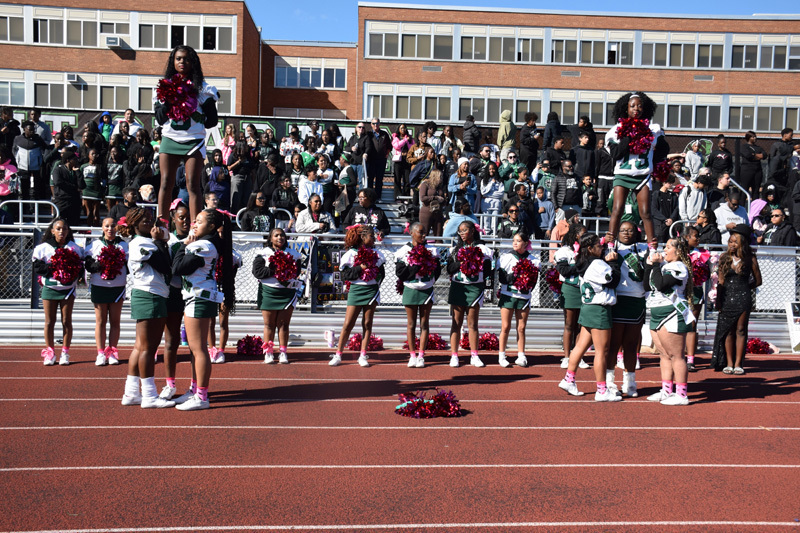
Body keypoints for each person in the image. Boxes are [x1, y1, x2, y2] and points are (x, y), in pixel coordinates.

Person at [171, 209, 233, 410]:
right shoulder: (205, 243)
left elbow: (178, 268)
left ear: (212, 226)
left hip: (199, 298)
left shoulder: (203, 245)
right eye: (194, 221)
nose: (194, 224)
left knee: (199, 349)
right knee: (194, 348)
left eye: (199, 221)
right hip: (196, 296)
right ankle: (194, 388)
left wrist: (185, 245)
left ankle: (202, 396)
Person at [116, 207, 174, 408]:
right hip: (150, 295)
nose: (150, 222)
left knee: (140, 347)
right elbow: (165, 266)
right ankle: (149, 395)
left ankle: (131, 393)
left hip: (149, 294)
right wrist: (160, 241)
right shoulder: (141, 243)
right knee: (149, 348)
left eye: (150, 219)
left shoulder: (141, 242)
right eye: (144, 220)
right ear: (134, 225)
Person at [155, 45, 219, 225]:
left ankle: (195, 227)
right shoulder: (164, 87)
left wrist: (198, 111)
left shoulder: (203, 88)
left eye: (186, 59)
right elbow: (160, 119)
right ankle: (163, 225)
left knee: (192, 184)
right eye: (178, 58)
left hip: (194, 141)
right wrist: (169, 98)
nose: (182, 62)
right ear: (173, 61)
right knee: (166, 182)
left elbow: (212, 121)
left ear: (193, 62)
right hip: (170, 138)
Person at [557, 232, 621, 401]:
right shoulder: (598, 264)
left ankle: (568, 379)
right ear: (590, 248)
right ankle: (601, 390)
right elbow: (613, 280)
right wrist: (614, 263)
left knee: (580, 347)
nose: (602, 248)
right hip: (599, 308)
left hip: (588, 307)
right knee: (602, 351)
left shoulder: (583, 262)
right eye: (599, 246)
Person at [605, 92, 669, 246]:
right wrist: (628, 135)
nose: (636, 108)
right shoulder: (616, 129)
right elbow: (615, 154)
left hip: (643, 175)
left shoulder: (654, 129)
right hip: (623, 174)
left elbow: (663, 151)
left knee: (646, 212)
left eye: (639, 105)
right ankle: (610, 243)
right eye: (632, 105)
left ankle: (652, 246)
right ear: (626, 109)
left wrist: (659, 166)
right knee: (617, 209)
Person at [644, 237, 695, 405]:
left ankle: (681, 395)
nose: (664, 250)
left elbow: (660, 284)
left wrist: (657, 265)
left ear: (678, 251)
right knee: (664, 355)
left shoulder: (679, 267)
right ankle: (666, 390)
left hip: (672, 312)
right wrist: (650, 265)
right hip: (656, 311)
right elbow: (647, 285)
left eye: (667, 247)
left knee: (676, 356)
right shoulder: (664, 266)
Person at [329, 225, 386, 367]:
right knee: (348, 323)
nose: (374, 239)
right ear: (363, 237)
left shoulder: (377, 254)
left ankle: (363, 355)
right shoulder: (350, 254)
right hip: (356, 290)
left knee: (367, 323)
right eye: (371, 236)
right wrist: (359, 268)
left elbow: (381, 273)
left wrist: (375, 282)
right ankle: (338, 354)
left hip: (371, 291)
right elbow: (346, 275)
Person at [710, 224, 762, 374]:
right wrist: (718, 301)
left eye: (735, 242)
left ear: (742, 243)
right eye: (730, 241)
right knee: (728, 331)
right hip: (727, 297)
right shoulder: (724, 257)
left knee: (740, 330)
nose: (731, 244)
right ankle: (729, 363)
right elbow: (720, 281)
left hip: (743, 298)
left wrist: (744, 287)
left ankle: (739, 364)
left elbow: (758, 281)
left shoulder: (750, 258)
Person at [32, 218, 84, 366]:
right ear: (53, 230)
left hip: (67, 290)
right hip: (50, 289)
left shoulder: (74, 248)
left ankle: (65, 352)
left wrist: (71, 271)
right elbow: (37, 268)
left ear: (68, 231)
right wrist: (55, 268)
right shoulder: (43, 247)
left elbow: (80, 269)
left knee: (66, 321)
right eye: (59, 229)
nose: (62, 231)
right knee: (49, 321)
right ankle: (50, 352)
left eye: (65, 229)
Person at [608, 222, 649, 397]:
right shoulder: (610, 248)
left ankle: (630, 382)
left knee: (631, 345)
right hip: (617, 300)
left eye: (630, 230)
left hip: (637, 300)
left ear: (635, 232)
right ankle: (609, 382)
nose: (626, 233)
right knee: (613, 344)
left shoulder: (643, 248)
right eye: (622, 230)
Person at [253, 228, 303, 364]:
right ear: (270, 238)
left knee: (283, 324)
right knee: (269, 324)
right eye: (276, 235)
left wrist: (286, 272)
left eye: (282, 235)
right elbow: (257, 272)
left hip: (287, 293)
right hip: (268, 292)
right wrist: (275, 269)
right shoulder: (263, 253)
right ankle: (268, 352)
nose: (280, 238)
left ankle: (283, 352)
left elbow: (296, 272)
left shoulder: (293, 254)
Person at [395, 222, 442, 368]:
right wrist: (416, 266)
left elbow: (438, 270)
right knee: (411, 324)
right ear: (411, 232)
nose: (424, 235)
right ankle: (412, 355)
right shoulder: (403, 251)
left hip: (426, 289)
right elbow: (400, 273)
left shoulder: (432, 250)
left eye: (425, 232)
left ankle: (421, 355)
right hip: (411, 289)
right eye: (420, 232)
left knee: (424, 323)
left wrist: (431, 279)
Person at [446, 221, 492, 368]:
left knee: (472, 324)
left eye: (464, 230)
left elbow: (487, 270)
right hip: (458, 287)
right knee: (456, 323)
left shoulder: (483, 249)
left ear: (472, 231)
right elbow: (449, 269)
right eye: (460, 231)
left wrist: (475, 263)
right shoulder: (454, 249)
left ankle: (474, 355)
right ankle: (454, 355)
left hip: (474, 288)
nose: (461, 233)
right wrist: (463, 262)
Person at [158, 200, 191, 401]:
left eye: (188, 217)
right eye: (181, 217)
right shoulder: (168, 242)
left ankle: (196, 387)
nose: (185, 221)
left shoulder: (198, 240)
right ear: (173, 219)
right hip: (173, 294)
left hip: (193, 295)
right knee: (171, 341)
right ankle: (170, 384)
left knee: (196, 345)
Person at [84, 217, 128, 366]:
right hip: (99, 287)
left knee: (115, 321)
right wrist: (100, 265)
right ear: (102, 228)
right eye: (107, 226)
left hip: (117, 288)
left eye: (113, 226)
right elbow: (88, 265)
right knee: (101, 321)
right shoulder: (94, 245)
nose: (110, 229)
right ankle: (101, 353)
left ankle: (113, 351)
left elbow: (129, 267)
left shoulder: (123, 246)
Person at [497, 230, 539, 368]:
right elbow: (502, 279)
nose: (515, 243)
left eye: (518, 241)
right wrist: (515, 276)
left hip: (524, 297)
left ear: (526, 243)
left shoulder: (533, 260)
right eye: (514, 240)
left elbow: (533, 282)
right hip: (508, 295)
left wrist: (525, 284)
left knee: (521, 327)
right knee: (505, 326)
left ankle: (521, 355)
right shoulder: (506, 257)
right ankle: (502, 355)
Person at [554, 223, 591, 370]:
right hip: (570, 289)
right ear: (576, 235)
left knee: (581, 326)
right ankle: (567, 357)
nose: (585, 236)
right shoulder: (564, 251)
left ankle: (578, 356)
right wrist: (581, 265)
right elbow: (564, 270)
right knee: (569, 324)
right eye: (583, 233)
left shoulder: (587, 251)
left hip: (584, 290)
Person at [684, 226, 707, 372]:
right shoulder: (677, 251)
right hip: (679, 293)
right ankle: (677, 356)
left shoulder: (702, 254)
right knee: (678, 325)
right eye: (695, 236)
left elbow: (705, 274)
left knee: (692, 324)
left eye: (698, 236)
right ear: (686, 237)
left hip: (696, 292)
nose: (698, 239)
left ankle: (691, 359)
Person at [13, 120, 48, 202]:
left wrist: (40, 161)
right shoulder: (18, 139)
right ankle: (24, 210)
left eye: (33, 129)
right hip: (22, 168)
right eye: (30, 129)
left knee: (36, 191)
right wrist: (17, 162)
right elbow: (13, 151)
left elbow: (45, 149)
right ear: (24, 129)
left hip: (36, 168)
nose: (32, 131)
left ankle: (35, 209)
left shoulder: (38, 139)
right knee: (24, 190)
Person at [359, 118, 391, 199]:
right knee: (370, 179)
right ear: (371, 124)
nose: (375, 125)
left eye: (377, 123)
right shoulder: (368, 134)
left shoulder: (384, 134)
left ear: (379, 124)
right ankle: (370, 197)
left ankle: (377, 197)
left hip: (381, 160)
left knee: (379, 180)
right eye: (373, 123)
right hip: (371, 160)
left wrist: (386, 154)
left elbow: (389, 146)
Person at [51, 150, 82, 226]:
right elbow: (58, 182)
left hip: (74, 201)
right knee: (58, 222)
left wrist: (78, 172)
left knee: (74, 224)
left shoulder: (75, 171)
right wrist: (74, 187)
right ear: (68, 160)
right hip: (62, 201)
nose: (76, 161)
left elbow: (82, 185)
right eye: (74, 159)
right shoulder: (58, 170)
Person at [79, 147, 105, 227]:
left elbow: (104, 179)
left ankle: (96, 228)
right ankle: (89, 227)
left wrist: (102, 189)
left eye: (96, 154)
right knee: (88, 212)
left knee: (96, 212)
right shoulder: (83, 166)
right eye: (92, 154)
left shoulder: (100, 167)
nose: (94, 156)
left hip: (96, 190)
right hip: (86, 190)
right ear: (88, 155)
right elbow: (80, 178)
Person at [227, 141, 255, 213]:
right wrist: (239, 161)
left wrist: (253, 181)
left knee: (246, 198)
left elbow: (252, 168)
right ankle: (234, 217)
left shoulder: (248, 155)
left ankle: (244, 216)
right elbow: (229, 167)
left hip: (247, 177)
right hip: (237, 177)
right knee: (236, 199)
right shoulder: (233, 155)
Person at [651, 176, 680, 242]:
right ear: (664, 182)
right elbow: (654, 209)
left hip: (671, 223)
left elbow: (676, 208)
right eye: (669, 183)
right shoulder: (656, 194)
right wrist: (664, 219)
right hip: (659, 224)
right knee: (659, 242)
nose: (671, 185)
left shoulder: (673, 195)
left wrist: (671, 218)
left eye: (672, 183)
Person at [419, 168, 447, 236]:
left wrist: (443, 200)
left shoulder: (440, 187)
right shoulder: (425, 184)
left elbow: (444, 200)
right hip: (427, 212)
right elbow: (422, 198)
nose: (441, 178)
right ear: (435, 176)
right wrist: (435, 198)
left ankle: (439, 246)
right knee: (424, 234)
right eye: (440, 176)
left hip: (438, 212)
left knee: (439, 235)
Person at [391, 124, 414, 200]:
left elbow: (412, 147)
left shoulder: (410, 138)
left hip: (407, 160)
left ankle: (406, 197)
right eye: (401, 128)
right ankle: (397, 197)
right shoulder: (396, 137)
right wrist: (404, 140)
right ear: (399, 129)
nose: (403, 129)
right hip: (398, 161)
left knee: (407, 180)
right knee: (397, 179)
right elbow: (397, 146)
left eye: (404, 128)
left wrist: (408, 140)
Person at [740, 131, 766, 199]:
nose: (755, 138)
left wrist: (754, 155)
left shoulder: (759, 147)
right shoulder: (744, 147)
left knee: (756, 191)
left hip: (757, 171)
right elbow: (748, 155)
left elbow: (764, 155)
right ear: (748, 138)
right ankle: (742, 207)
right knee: (744, 190)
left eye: (755, 136)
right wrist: (757, 156)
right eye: (753, 137)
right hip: (747, 171)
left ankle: (755, 208)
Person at [346, 122, 366, 188]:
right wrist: (351, 148)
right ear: (356, 128)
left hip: (361, 163)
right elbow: (346, 148)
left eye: (363, 127)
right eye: (359, 127)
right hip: (353, 162)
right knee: (353, 180)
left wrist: (366, 153)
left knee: (361, 181)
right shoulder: (352, 138)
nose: (361, 129)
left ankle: (360, 196)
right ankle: (352, 196)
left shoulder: (366, 138)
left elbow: (369, 147)